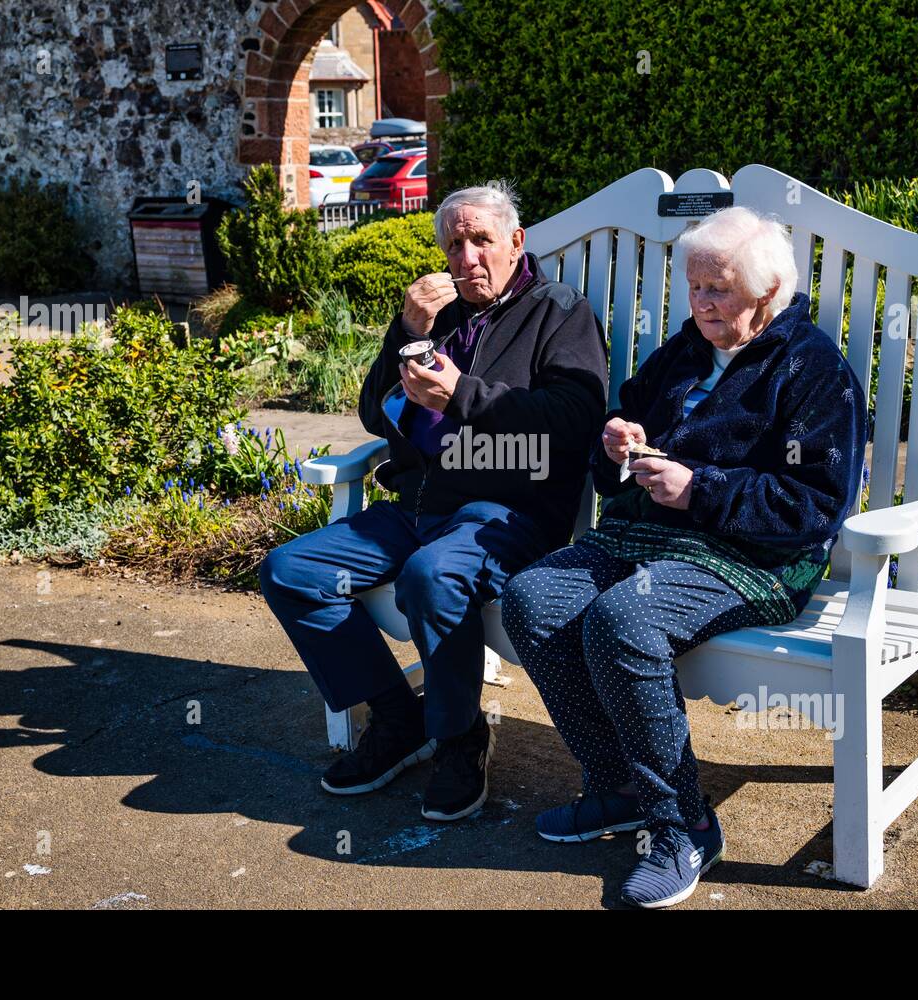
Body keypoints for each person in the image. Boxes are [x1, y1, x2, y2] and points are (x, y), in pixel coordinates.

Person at [500, 205, 868, 908]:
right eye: (694, 286)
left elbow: (811, 508)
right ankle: (618, 787)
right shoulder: (685, 349)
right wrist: (615, 444)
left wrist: (700, 489)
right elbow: (624, 427)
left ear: (767, 294)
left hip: (751, 557)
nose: (701, 303)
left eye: (718, 289)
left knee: (623, 621)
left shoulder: (815, 372)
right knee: (533, 595)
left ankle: (684, 825)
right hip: (648, 538)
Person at [258, 181, 607, 822]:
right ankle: (399, 721)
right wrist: (405, 327)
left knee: (430, 576)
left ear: (516, 242)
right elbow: (373, 413)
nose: (467, 258)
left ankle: (458, 735)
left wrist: (462, 397)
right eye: (454, 245)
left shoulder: (560, 313)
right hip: (417, 504)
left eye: (481, 241)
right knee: (290, 572)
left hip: (505, 509)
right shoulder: (438, 313)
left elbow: (576, 417)